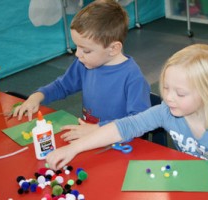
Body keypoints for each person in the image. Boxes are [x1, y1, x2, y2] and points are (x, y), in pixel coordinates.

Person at [46, 44, 208, 170]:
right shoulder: (166, 111)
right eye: (165, 88)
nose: (168, 97)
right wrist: (74, 149)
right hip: (187, 175)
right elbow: (124, 127)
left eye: (180, 93)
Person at [13, 0, 151, 138]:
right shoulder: (84, 63)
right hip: (89, 137)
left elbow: (138, 122)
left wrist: (98, 129)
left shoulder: (133, 78)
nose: (78, 54)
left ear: (113, 49)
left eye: (86, 50)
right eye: (77, 46)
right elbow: (62, 86)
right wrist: (36, 97)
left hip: (119, 143)